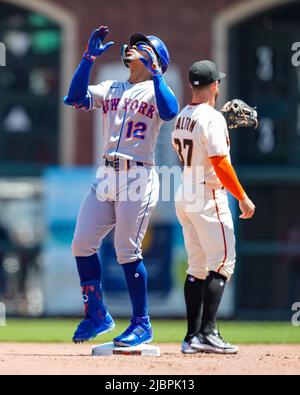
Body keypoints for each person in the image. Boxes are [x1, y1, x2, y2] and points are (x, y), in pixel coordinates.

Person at [64, 26, 179, 346]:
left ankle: (142, 324)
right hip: (106, 175)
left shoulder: (157, 91)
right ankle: (96, 314)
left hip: (138, 176)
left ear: (155, 58)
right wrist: (87, 58)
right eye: (132, 45)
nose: (132, 47)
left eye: (141, 46)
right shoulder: (111, 86)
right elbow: (74, 97)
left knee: (126, 250)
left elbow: (170, 112)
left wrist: (157, 73)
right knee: (81, 243)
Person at [172, 60, 255, 354]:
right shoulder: (212, 119)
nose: (219, 85)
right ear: (213, 86)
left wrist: (216, 124)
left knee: (197, 267)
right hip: (208, 195)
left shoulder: (183, 115)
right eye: (217, 81)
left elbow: (195, 144)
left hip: (186, 191)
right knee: (222, 264)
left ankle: (191, 337)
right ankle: (208, 333)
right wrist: (242, 197)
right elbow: (220, 164)